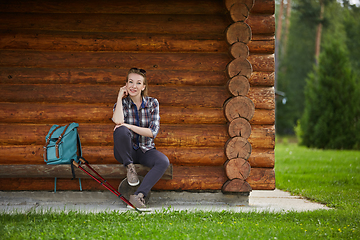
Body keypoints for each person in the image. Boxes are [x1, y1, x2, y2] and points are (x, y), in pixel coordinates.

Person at [112, 68, 169, 210]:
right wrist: (119, 97)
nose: (134, 86)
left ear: (143, 87)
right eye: (130, 82)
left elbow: (152, 132)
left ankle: (138, 196)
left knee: (163, 161)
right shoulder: (122, 104)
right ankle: (130, 167)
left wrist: (128, 126)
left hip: (145, 149)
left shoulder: (152, 103)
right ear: (125, 85)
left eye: (138, 83)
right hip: (126, 152)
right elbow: (118, 121)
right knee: (121, 130)